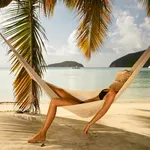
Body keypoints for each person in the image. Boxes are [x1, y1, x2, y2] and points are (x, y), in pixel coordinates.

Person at [28, 69, 132, 143]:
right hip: (82, 103)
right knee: (60, 91)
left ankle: (42, 134)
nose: (117, 77)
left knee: (54, 101)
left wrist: (89, 124)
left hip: (84, 108)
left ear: (121, 80)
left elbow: (103, 110)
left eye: (120, 76)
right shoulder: (110, 89)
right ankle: (38, 80)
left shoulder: (112, 94)